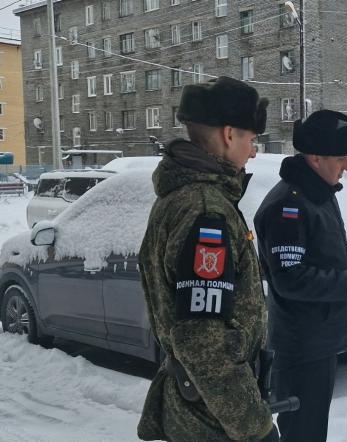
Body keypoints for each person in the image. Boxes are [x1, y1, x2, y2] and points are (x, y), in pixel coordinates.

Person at [137, 76, 278, 442]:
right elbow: (204, 342)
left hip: (199, 407)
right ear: (229, 134)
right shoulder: (205, 211)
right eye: (252, 139)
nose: (253, 151)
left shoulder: (184, 197)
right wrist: (256, 428)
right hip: (211, 421)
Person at [253, 110, 347, 442]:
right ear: (315, 157)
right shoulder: (289, 205)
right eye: (341, 156)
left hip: (319, 340)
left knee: (313, 432)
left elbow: (325, 252)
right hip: (302, 347)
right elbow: (292, 279)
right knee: (304, 434)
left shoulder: (318, 194)